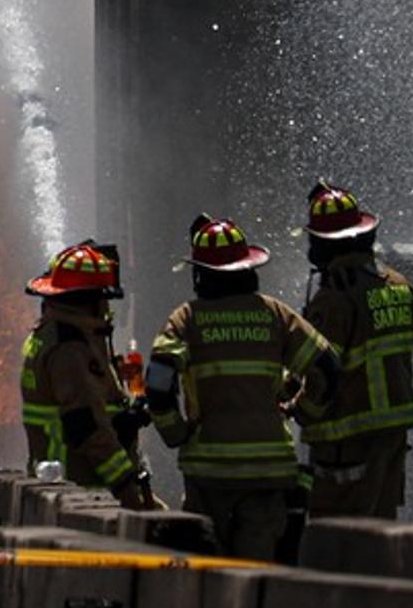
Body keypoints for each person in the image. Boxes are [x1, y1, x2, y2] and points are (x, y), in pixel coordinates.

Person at [144, 215, 339, 562]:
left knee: (208, 572)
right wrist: (303, 411)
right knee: (256, 573)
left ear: (199, 273)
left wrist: (175, 432)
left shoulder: (186, 319)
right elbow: (327, 367)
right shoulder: (274, 315)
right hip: (268, 473)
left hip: (208, 474)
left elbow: (158, 382)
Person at [296, 183, 413, 521]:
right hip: (393, 434)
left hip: (347, 440)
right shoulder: (399, 285)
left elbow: (322, 372)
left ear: (325, 245)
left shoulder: (335, 299)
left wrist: (300, 409)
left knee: (339, 538)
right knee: (381, 532)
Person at [18, 240, 159, 509]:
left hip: (61, 486)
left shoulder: (54, 336)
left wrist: (122, 413)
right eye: (103, 298)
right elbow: (85, 426)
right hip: (81, 489)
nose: (107, 307)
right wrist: (125, 485)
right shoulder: (69, 348)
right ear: (90, 301)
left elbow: (81, 396)